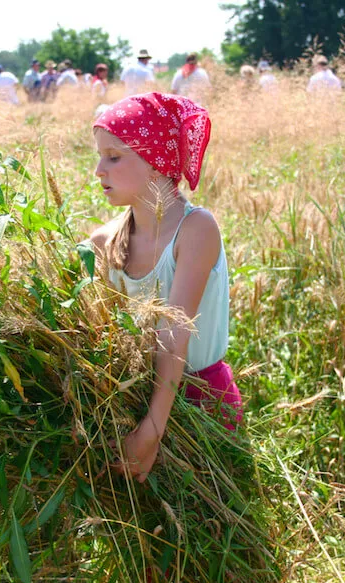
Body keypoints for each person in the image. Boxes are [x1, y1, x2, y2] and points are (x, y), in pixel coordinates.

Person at [89, 92, 240, 481]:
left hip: (201, 399)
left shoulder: (195, 229)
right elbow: (107, 336)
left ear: (156, 161)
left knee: (209, 527)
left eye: (114, 157)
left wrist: (152, 432)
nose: (98, 170)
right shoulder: (105, 242)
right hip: (137, 396)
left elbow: (175, 336)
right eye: (100, 156)